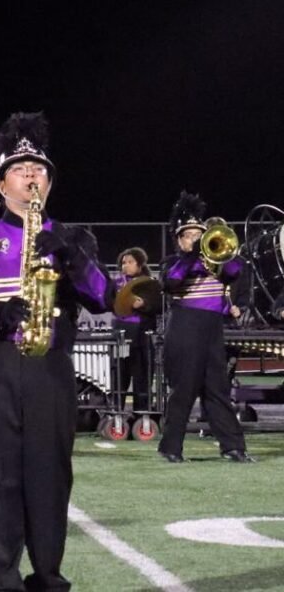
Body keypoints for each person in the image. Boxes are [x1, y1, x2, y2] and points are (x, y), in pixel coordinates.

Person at [0, 112, 113, 591]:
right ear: (1, 184)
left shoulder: (73, 237)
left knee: (50, 476)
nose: (32, 175)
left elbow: (103, 297)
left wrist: (74, 257)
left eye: (39, 169)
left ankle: (48, 576)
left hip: (50, 369)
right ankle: (0, 578)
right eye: (20, 169)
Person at [157, 191, 253, 463]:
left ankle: (233, 447)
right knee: (185, 389)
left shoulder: (215, 262)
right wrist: (192, 256)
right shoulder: (173, 262)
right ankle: (171, 447)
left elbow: (235, 271)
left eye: (199, 234)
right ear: (179, 239)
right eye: (189, 235)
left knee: (217, 388)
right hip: (186, 326)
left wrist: (216, 253)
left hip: (212, 327)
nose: (196, 239)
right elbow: (171, 282)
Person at [111, 247, 158, 412]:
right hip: (121, 335)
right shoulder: (115, 283)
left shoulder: (149, 283)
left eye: (130, 262)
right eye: (123, 262)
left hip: (141, 337)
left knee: (141, 377)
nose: (126, 265)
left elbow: (158, 307)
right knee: (118, 377)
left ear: (140, 265)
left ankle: (142, 414)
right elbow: (108, 303)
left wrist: (144, 305)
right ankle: (115, 411)